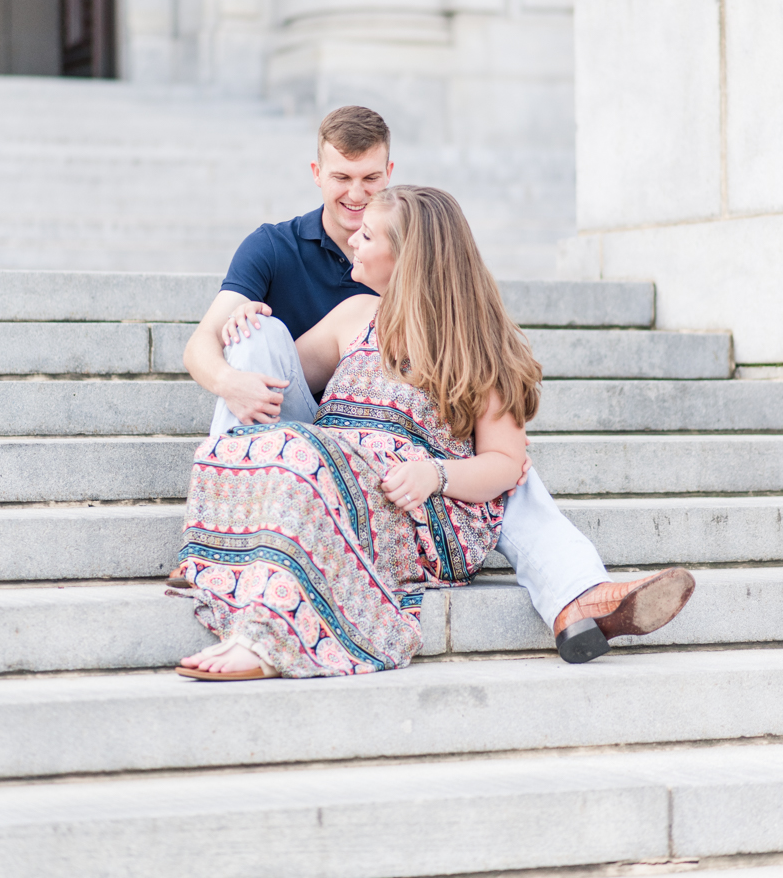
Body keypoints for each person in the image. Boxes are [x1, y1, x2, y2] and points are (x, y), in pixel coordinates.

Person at [181, 107, 695, 666]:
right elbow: (283, 379)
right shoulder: (344, 304)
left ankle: (581, 594)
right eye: (343, 180)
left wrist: (442, 472)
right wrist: (239, 344)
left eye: (370, 226)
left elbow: (502, 462)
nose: (356, 232)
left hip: (411, 501)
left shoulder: (474, 346)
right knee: (283, 411)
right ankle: (238, 534)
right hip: (332, 465)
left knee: (508, 469)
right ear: (318, 172)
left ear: (405, 253)